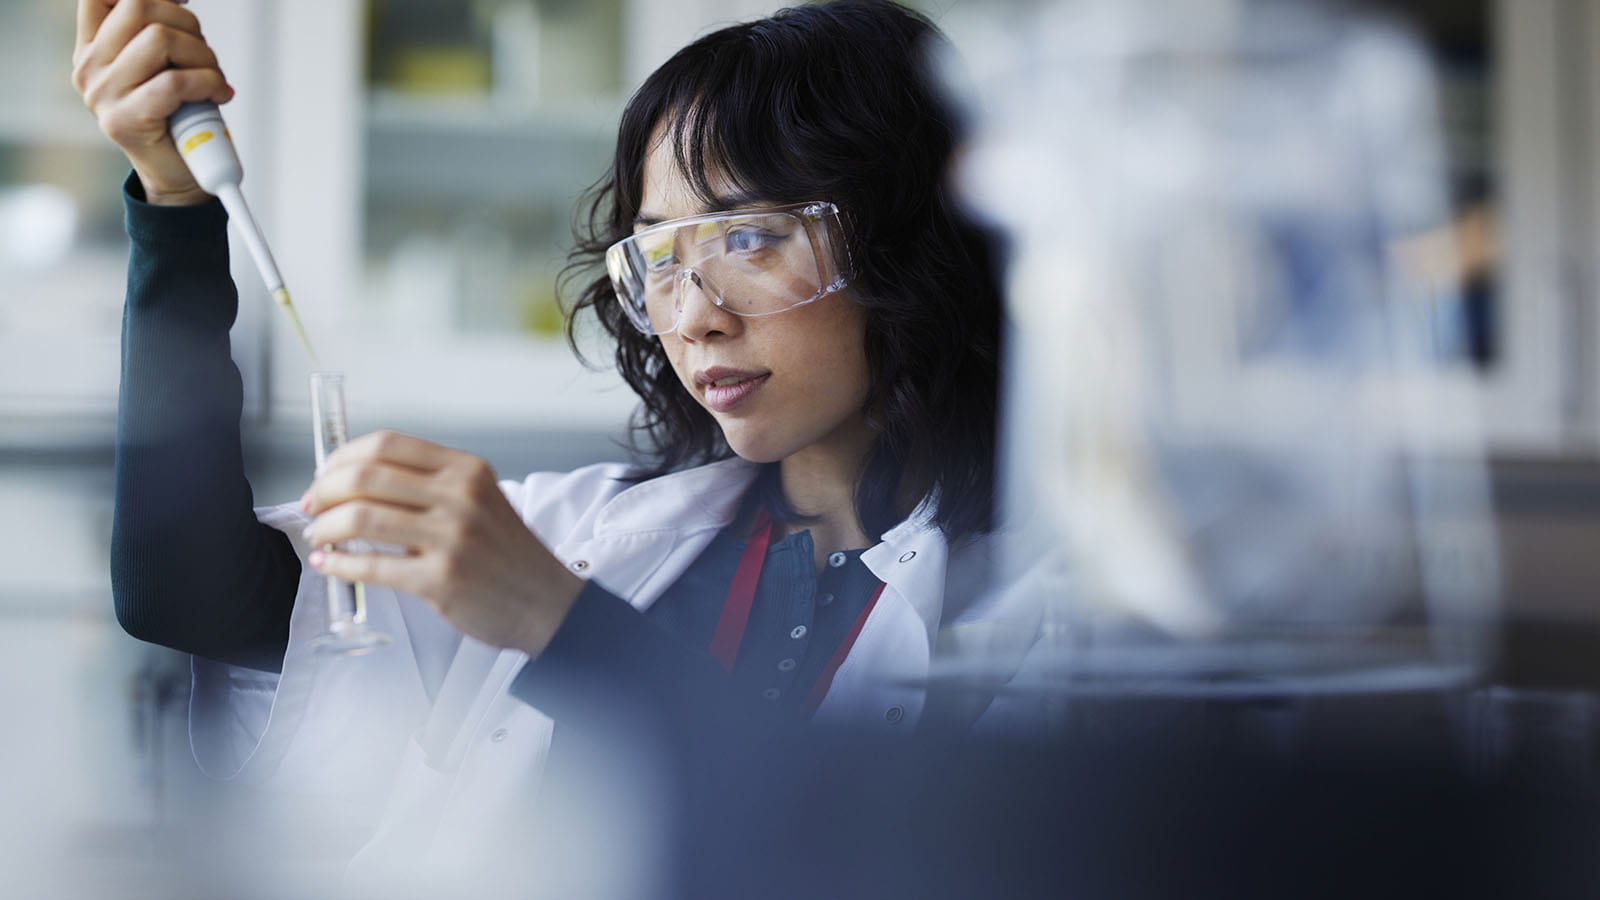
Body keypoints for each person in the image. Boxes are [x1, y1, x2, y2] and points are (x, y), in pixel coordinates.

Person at [74, 0, 1002, 881]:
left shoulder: (1047, 611)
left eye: (753, 236)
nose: (695, 316)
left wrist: (562, 624)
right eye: (664, 255)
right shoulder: (577, 533)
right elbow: (182, 592)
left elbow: (855, 844)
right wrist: (175, 204)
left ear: (912, 244)